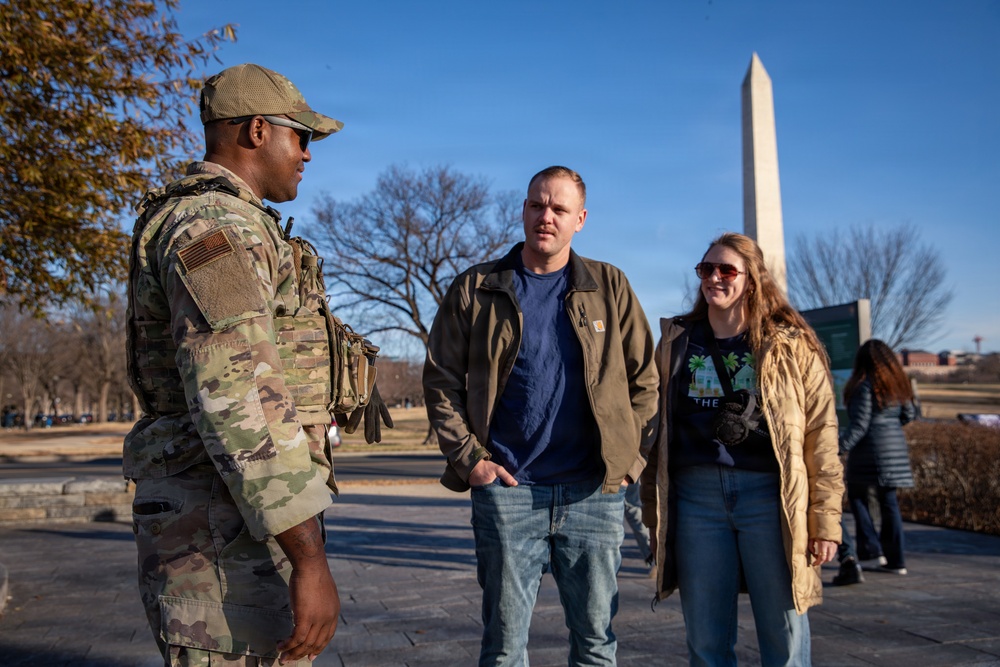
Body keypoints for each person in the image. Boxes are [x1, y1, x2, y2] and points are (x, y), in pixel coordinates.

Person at [124, 63, 389, 666]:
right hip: (220, 533)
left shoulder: (235, 224)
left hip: (236, 520)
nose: (308, 155)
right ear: (256, 132)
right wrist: (310, 560)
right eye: (302, 137)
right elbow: (237, 392)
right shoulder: (214, 227)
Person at [423, 166, 659, 666]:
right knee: (504, 648)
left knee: (595, 643)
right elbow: (441, 382)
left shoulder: (610, 286)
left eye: (558, 209)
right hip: (509, 491)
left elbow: (646, 381)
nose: (545, 217)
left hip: (594, 492)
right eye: (536, 205)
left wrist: (627, 462)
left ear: (581, 219)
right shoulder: (477, 287)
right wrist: (472, 461)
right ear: (524, 209)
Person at [639, 232, 843, 667]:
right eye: (706, 269)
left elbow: (821, 435)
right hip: (696, 498)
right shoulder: (676, 340)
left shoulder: (791, 344)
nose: (713, 277)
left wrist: (825, 520)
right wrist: (656, 521)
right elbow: (652, 432)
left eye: (726, 270)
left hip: (770, 499)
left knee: (784, 634)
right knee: (706, 640)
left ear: (752, 279)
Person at [839, 339, 917, 576]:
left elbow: (860, 425)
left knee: (857, 496)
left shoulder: (864, 386)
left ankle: (871, 550)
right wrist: (890, 430)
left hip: (868, 452)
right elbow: (909, 414)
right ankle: (897, 560)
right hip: (895, 451)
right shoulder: (898, 386)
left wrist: (839, 447)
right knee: (889, 503)